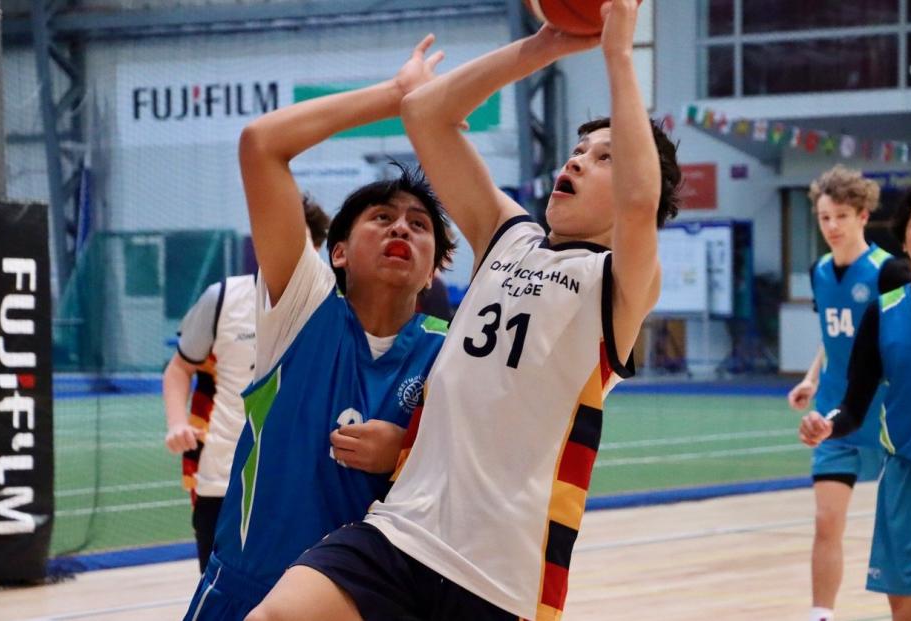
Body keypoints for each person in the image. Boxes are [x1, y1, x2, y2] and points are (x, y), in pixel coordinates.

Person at [248, 2, 680, 620]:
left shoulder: (619, 283)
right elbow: (426, 113)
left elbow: (639, 205)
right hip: (400, 530)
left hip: (500, 573)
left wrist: (618, 51)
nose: (577, 159)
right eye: (579, 148)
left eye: (605, 156)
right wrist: (546, 45)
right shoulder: (508, 234)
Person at [182, 36, 456, 621]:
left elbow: (477, 478)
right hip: (247, 589)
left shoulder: (449, 352)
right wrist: (396, 95)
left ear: (436, 266)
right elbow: (261, 145)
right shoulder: (302, 305)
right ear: (336, 254)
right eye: (381, 218)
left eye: (418, 224)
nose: (399, 229)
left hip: (359, 607)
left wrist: (405, 451)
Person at [163, 196, 331, 573]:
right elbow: (178, 369)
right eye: (274, 234)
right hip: (223, 479)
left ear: (317, 247)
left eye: (296, 237)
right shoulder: (222, 298)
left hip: (303, 484)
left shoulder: (336, 302)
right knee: (219, 594)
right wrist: (177, 422)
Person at [799, 182, 911, 621]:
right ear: (903, 238)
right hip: (904, 475)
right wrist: (828, 421)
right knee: (904, 610)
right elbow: (855, 402)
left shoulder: (880, 277)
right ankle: (821, 611)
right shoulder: (882, 312)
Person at [786, 165, 911, 621]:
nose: (832, 226)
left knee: (904, 528)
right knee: (825, 521)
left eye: (840, 216)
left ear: (862, 215)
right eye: (824, 218)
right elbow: (833, 334)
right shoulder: (819, 270)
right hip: (833, 417)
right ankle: (821, 613)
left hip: (886, 419)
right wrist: (811, 377)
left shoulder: (889, 273)